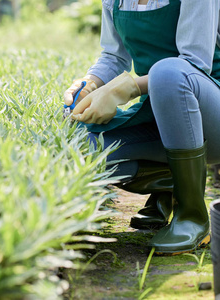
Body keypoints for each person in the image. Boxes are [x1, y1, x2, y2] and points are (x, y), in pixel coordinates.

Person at [64, 0, 220, 255]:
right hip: (160, 116)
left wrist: (126, 89)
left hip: (210, 113)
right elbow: (113, 56)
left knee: (168, 72)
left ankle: (192, 217)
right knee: (84, 147)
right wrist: (88, 83)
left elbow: (193, 63)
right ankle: (172, 182)